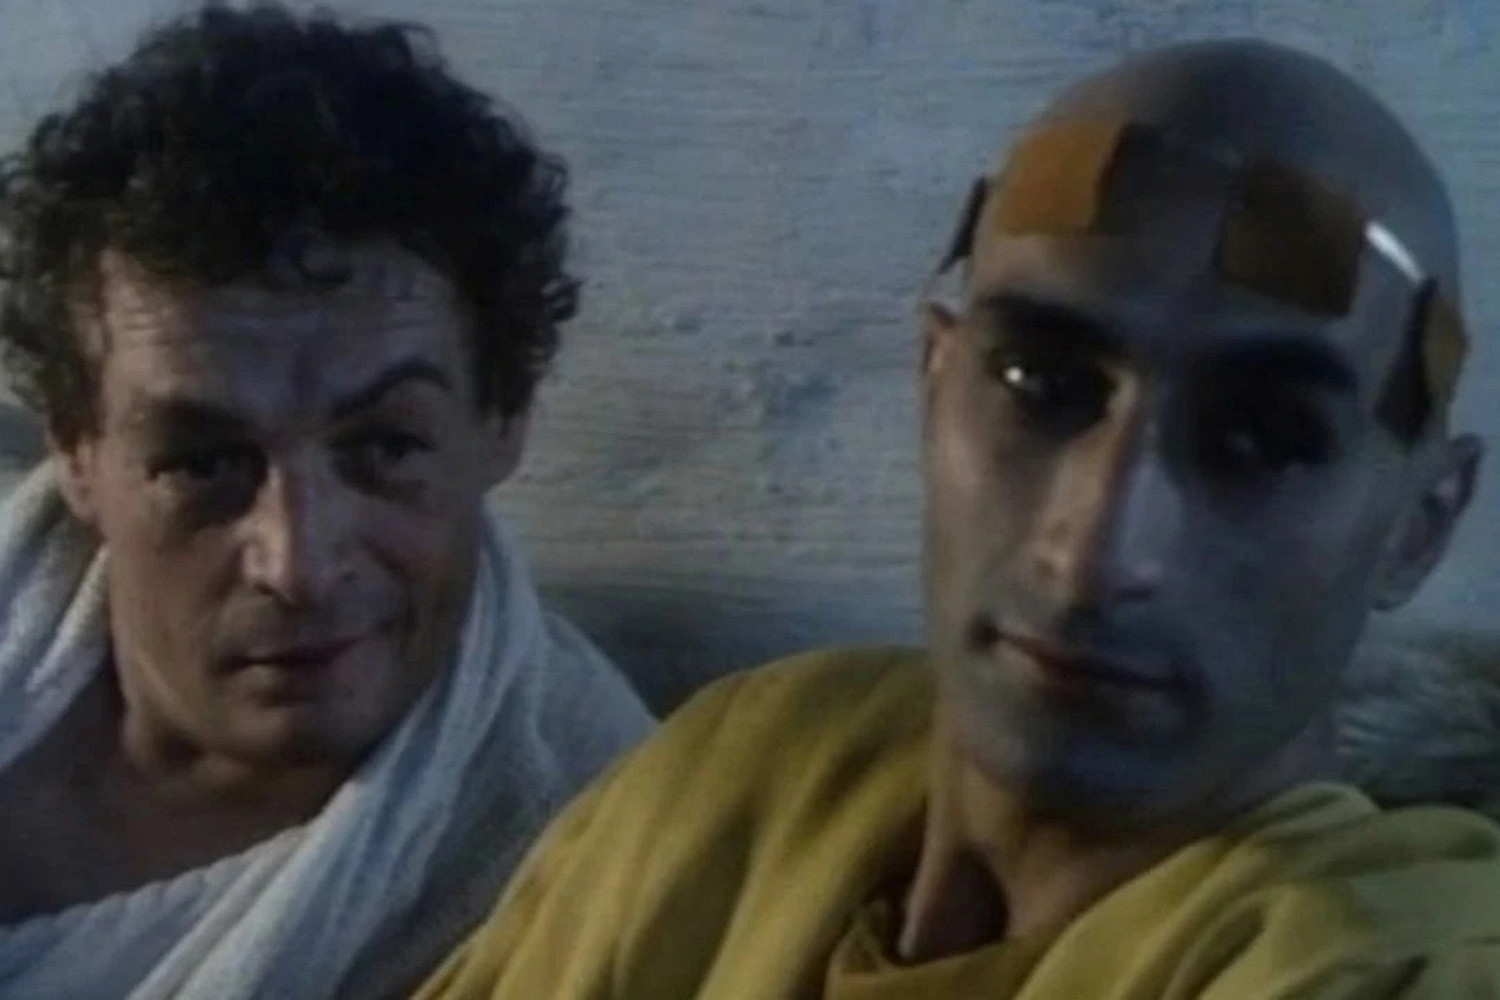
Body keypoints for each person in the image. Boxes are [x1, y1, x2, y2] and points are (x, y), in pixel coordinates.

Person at [416, 40, 1500, 999]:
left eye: (1262, 440)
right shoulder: (746, 773)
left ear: (1421, 523)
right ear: (936, 385)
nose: (1096, 549)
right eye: (1040, 381)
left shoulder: (1392, 960)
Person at [0, 5, 653, 998]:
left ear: (502, 418)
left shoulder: (588, 854)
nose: (298, 564)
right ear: (77, 450)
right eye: (202, 463)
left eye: (386, 447)